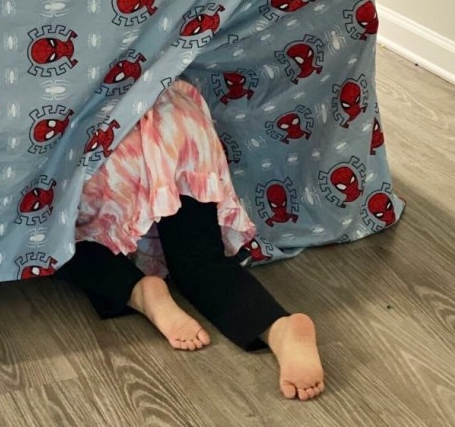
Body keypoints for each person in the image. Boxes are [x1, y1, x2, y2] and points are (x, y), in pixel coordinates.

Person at [61, 80, 325, 401]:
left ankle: (133, 288)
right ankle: (277, 327)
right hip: (177, 125)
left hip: (95, 140)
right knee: (199, 260)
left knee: (42, 240)